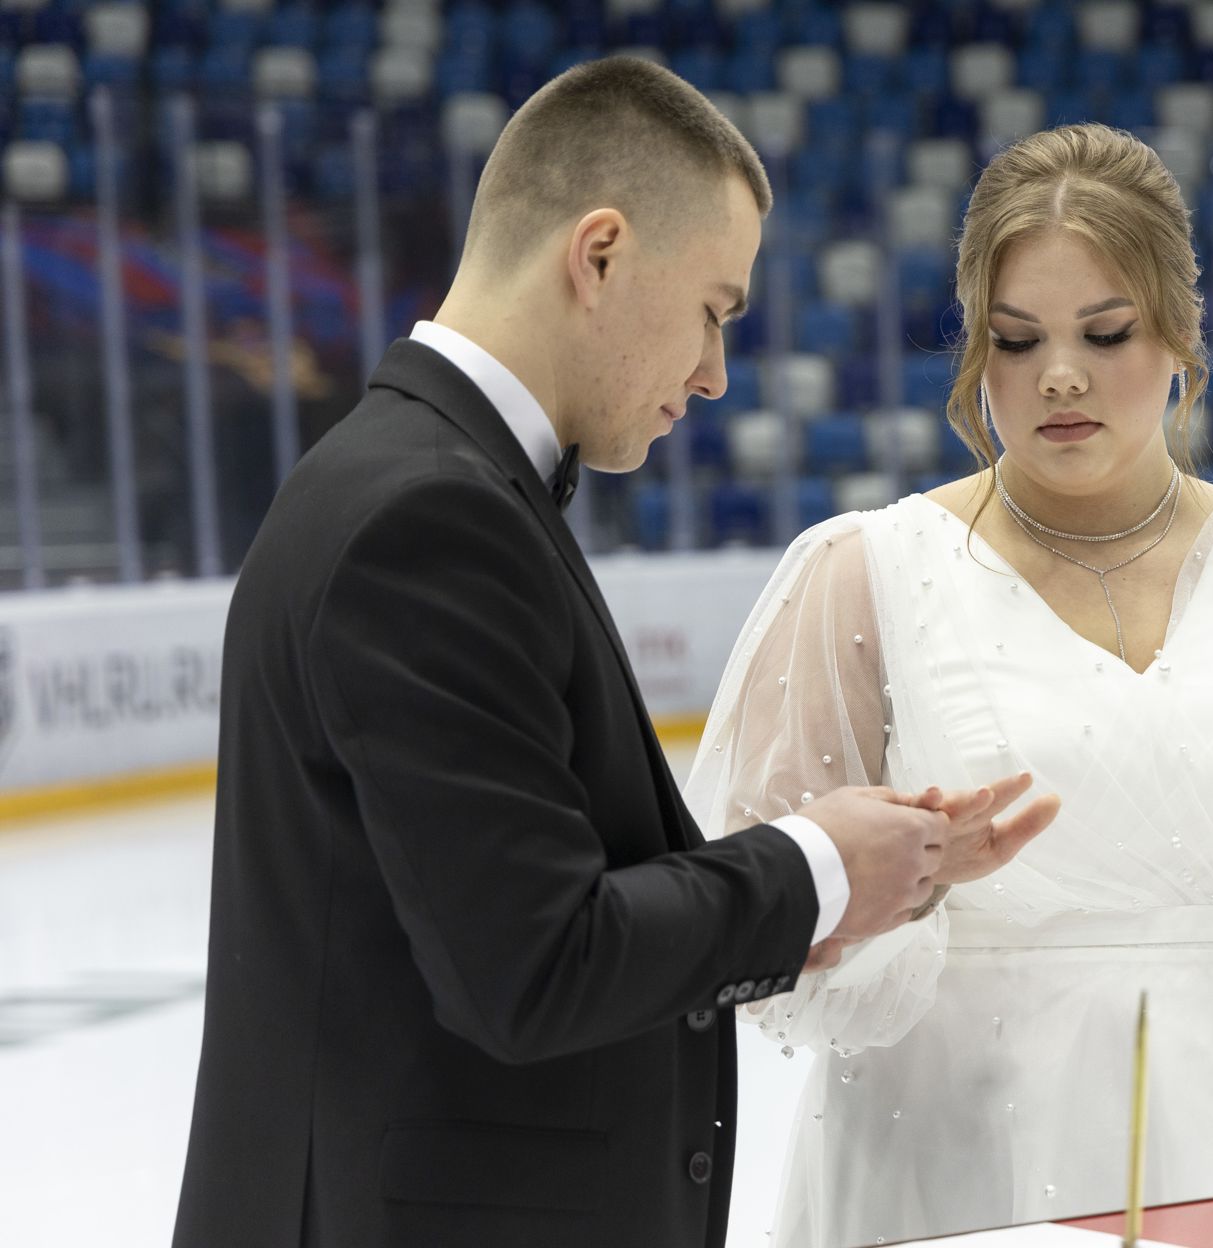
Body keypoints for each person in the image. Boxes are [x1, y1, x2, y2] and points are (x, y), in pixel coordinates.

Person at [171, 57, 1052, 1248]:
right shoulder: (424, 517)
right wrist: (814, 870)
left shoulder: (429, 481)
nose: (714, 373)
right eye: (714, 311)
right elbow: (534, 966)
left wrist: (837, 890)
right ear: (599, 255)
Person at [684, 123, 1213, 1247]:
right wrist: (884, 893)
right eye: (1017, 341)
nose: (1060, 376)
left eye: (1106, 332)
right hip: (964, 1166)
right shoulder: (865, 572)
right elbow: (759, 925)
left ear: (1180, 332)